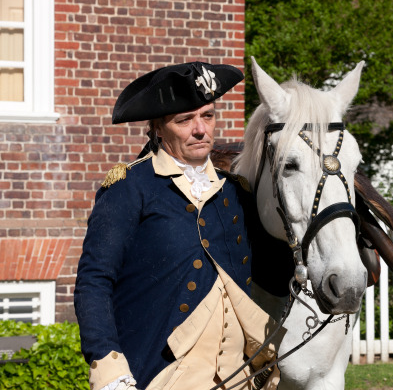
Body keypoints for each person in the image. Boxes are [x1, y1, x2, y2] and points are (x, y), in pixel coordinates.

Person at [74, 62, 283, 390]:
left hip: (238, 377)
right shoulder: (130, 188)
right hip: (160, 375)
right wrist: (109, 368)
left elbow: (276, 275)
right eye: (185, 120)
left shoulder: (236, 193)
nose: (201, 129)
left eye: (208, 116)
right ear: (158, 128)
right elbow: (94, 281)